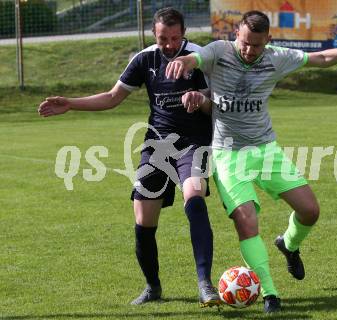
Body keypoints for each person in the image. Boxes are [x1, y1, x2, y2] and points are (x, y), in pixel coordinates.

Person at [165, 10, 337, 313]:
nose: (248, 50)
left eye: (255, 45)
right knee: (246, 220)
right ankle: (270, 293)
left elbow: (319, 59)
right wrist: (184, 62)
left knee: (310, 211)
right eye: (244, 42)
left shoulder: (276, 57)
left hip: (267, 150)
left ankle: (289, 245)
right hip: (229, 154)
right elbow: (197, 59)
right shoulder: (219, 51)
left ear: (267, 41)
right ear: (236, 36)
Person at [38, 7, 221, 308]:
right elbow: (112, 97)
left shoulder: (199, 57)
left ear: (184, 34)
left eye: (175, 38)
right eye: (163, 38)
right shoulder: (145, 59)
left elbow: (220, 106)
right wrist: (70, 103)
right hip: (158, 146)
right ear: (154, 34)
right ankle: (153, 287)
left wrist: (200, 100)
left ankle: (205, 284)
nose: (170, 45)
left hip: (193, 144)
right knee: (143, 218)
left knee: (194, 197)